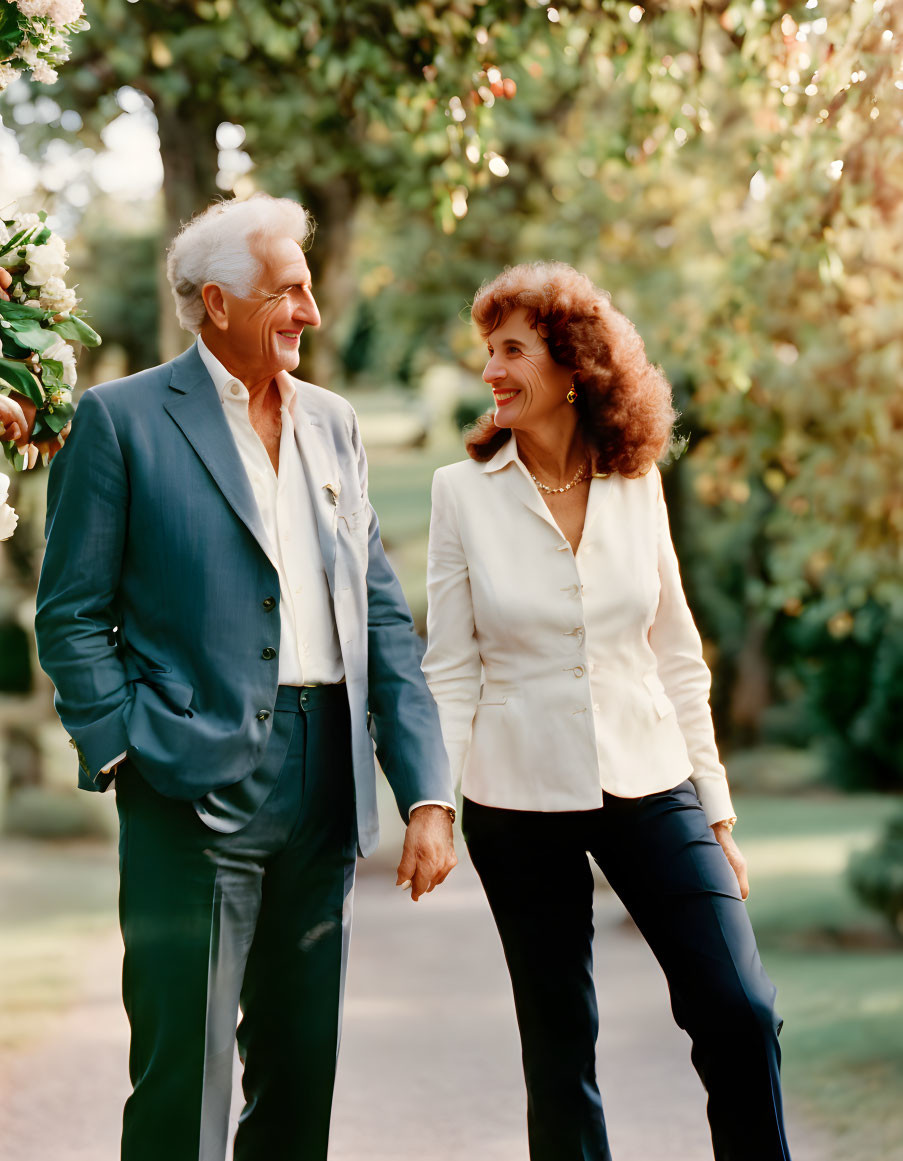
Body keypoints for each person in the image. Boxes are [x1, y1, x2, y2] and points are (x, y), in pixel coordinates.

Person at [34, 193, 457, 1161]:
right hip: (185, 786)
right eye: (288, 291)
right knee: (184, 1085)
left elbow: (379, 616)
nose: (310, 310)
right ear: (217, 303)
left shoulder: (336, 427)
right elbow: (69, 614)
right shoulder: (119, 420)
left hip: (321, 786)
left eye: (307, 287)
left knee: (300, 1081)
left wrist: (427, 790)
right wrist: (124, 747)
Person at [421, 261, 791, 1161]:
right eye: (488, 351)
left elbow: (675, 654)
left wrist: (716, 810)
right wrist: (433, 804)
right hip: (516, 795)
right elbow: (450, 669)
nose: (491, 371)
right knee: (559, 1051)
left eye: (511, 350)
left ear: (573, 365)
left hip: (651, 774)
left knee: (740, 1010)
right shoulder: (460, 494)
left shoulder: (637, 480)